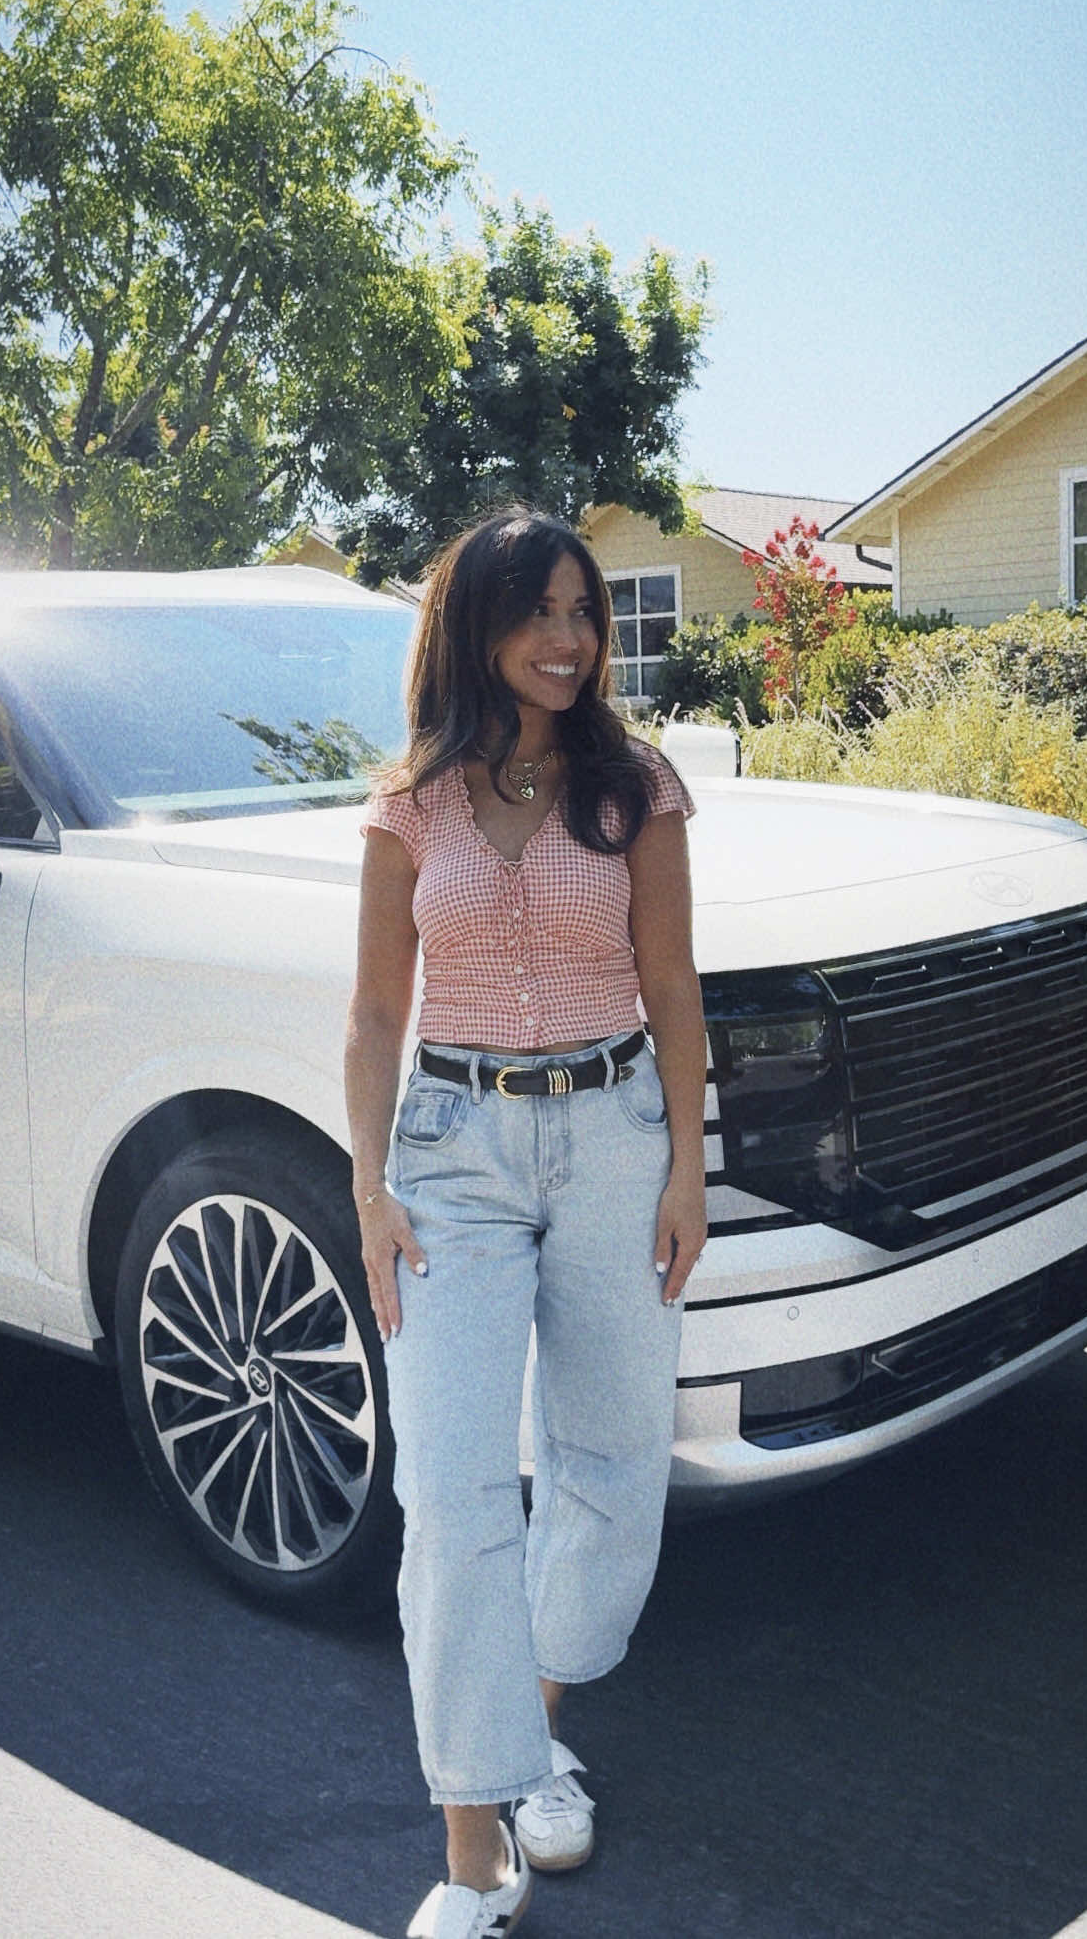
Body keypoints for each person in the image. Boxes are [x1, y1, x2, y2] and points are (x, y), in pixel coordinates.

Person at [344, 506, 707, 1939]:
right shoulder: (409, 804)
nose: (569, 638)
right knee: (447, 1493)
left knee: (612, 1465)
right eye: (539, 610)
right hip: (451, 1153)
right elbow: (376, 1009)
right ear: (477, 624)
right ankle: (469, 1848)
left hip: (617, 1137)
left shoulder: (635, 787)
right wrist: (367, 1186)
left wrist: (687, 1167)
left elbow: (671, 985)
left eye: (585, 610)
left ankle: (534, 1731)